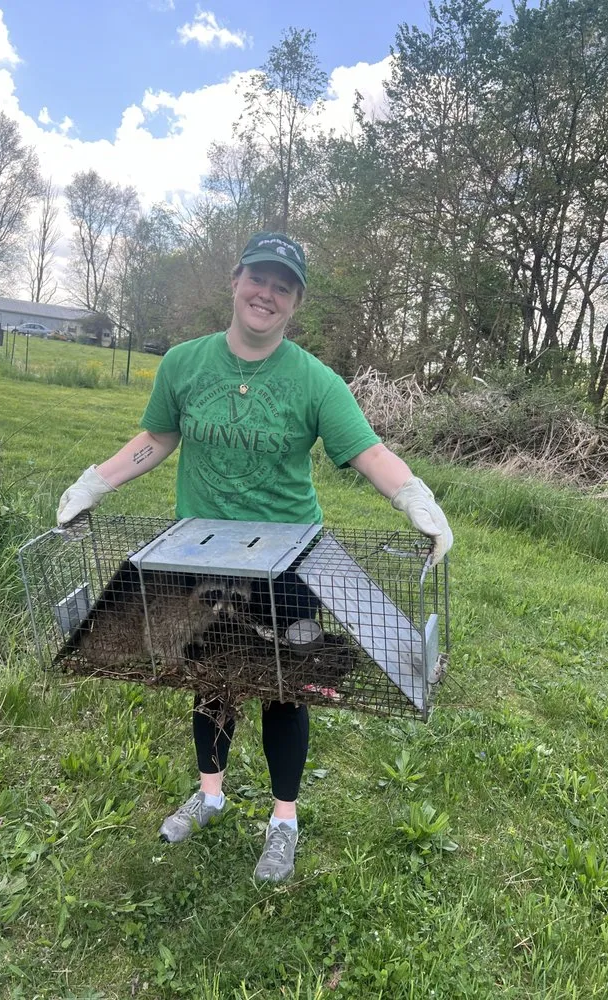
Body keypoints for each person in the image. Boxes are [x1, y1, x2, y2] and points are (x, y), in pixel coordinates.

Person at [57, 231, 453, 883]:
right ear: (236, 280)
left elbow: (367, 451)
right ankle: (210, 795)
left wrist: (415, 497)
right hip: (201, 559)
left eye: (283, 286)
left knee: (284, 689)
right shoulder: (184, 365)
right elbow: (156, 438)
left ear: (295, 302)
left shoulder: (313, 381)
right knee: (207, 680)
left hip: (287, 564)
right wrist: (95, 482)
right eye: (259, 279)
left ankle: (283, 820)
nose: (266, 294)